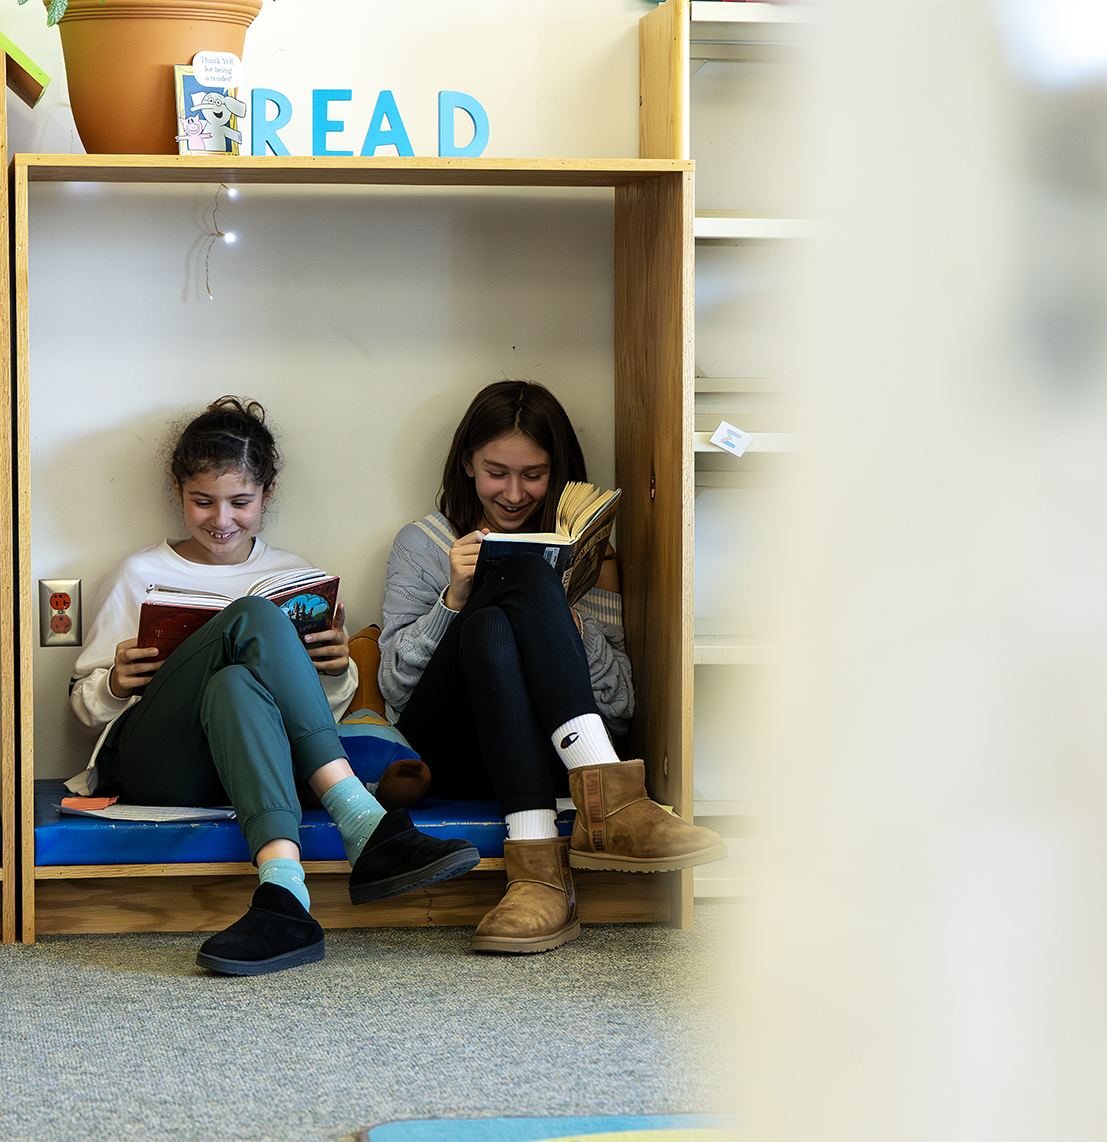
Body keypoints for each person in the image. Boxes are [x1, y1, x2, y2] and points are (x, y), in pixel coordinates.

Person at [68, 397, 480, 976]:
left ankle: (283, 898)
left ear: (268, 493)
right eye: (201, 501)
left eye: (241, 502)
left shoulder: (298, 577)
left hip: (251, 759)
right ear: (177, 490)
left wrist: (337, 673)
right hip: (155, 761)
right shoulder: (141, 573)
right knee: (254, 617)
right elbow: (85, 710)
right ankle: (365, 821)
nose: (221, 519)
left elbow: (318, 715)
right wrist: (113, 683)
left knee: (236, 682)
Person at [379, 380, 726, 955]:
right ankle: (611, 803)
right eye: (496, 472)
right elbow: (395, 691)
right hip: (455, 750)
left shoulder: (592, 555)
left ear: (557, 471)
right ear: (467, 463)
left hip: (549, 755)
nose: (514, 494)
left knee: (504, 614)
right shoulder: (423, 544)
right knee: (512, 581)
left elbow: (621, 704)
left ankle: (538, 874)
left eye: (533, 475)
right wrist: (455, 599)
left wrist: (570, 628)